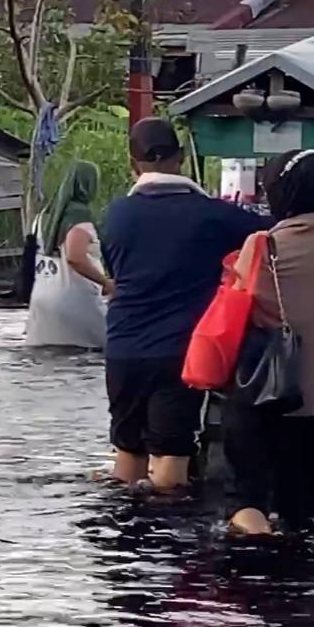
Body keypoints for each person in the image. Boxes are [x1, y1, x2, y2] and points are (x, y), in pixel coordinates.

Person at [101, 117, 269, 493]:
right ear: (180, 159)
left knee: (127, 450)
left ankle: (125, 544)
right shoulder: (213, 214)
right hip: (179, 353)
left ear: (133, 165)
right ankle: (165, 544)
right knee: (171, 459)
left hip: (122, 349)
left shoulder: (116, 215)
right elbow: (272, 234)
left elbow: (115, 270)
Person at [223, 149, 314, 536]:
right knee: (302, 511)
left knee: (250, 502)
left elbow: (235, 310)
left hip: (262, 391)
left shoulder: (260, 246)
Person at [25, 160, 109, 349]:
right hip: (77, 302)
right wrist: (106, 283)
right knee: (90, 364)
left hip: (42, 301)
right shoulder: (79, 216)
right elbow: (74, 257)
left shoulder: (43, 217)